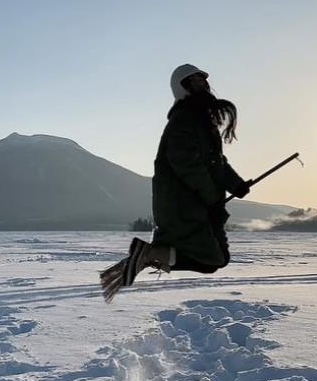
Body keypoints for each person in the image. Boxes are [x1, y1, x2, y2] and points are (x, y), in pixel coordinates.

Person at [100, 64, 251, 302]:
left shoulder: (202, 121)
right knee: (213, 259)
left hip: (202, 203)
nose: (203, 84)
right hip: (185, 205)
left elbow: (216, 162)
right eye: (195, 81)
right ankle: (150, 254)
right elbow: (186, 163)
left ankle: (151, 254)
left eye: (203, 80)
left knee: (217, 259)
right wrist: (212, 197)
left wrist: (236, 185)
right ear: (182, 88)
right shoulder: (184, 120)